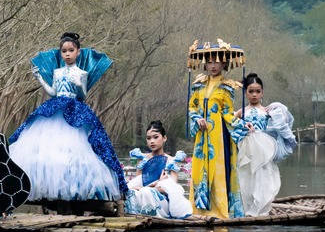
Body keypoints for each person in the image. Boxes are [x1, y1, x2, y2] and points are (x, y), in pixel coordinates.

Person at [9, 31, 123, 209]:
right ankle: (55, 195)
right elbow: (53, 92)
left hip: (74, 110)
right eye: (64, 51)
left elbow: (82, 96)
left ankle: (76, 195)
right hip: (55, 109)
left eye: (71, 50)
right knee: (52, 151)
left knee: (78, 150)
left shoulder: (81, 73)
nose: (67, 54)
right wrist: (40, 78)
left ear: (78, 52)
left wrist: (78, 85)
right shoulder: (57, 71)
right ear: (60, 53)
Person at [185, 39, 243, 214]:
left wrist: (241, 126)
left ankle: (219, 209)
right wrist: (196, 118)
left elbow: (228, 113)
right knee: (199, 168)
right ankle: (198, 209)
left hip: (219, 134)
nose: (212, 66)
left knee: (219, 169)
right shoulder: (198, 85)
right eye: (209, 62)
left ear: (223, 63)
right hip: (202, 135)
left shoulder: (227, 87)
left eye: (216, 62)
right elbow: (191, 107)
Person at [229, 72, 296, 217]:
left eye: (257, 91)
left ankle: (260, 209)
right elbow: (229, 123)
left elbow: (283, 122)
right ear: (245, 93)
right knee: (245, 176)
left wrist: (277, 114)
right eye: (251, 91)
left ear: (262, 93)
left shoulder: (267, 111)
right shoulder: (241, 112)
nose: (254, 95)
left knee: (263, 176)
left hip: (263, 147)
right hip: (246, 147)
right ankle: (246, 208)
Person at [124, 121, 194, 219]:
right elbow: (138, 182)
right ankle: (133, 216)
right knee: (133, 193)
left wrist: (157, 184)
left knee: (146, 192)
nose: (152, 141)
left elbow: (172, 188)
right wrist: (146, 186)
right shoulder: (143, 158)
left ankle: (153, 217)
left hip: (162, 200)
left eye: (156, 137)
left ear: (164, 138)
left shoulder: (172, 161)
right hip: (144, 193)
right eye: (149, 138)